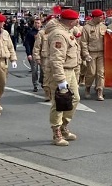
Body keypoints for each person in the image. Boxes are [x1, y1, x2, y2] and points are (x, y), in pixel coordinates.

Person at [47, 9, 82, 146]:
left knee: (75, 99)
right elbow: (56, 59)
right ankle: (57, 132)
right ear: (70, 21)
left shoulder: (67, 32)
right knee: (60, 103)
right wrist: (61, 80)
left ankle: (64, 125)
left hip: (70, 70)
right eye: (76, 20)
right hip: (62, 72)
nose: (77, 22)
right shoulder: (59, 35)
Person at [81, 9, 109, 101]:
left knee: (100, 73)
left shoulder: (104, 27)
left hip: (101, 52)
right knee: (91, 72)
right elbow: (84, 42)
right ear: (95, 17)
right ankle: (87, 88)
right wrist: (86, 54)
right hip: (91, 53)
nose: (102, 18)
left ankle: (99, 91)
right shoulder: (86, 28)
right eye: (100, 17)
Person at [24, 18, 41, 92]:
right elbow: (27, 44)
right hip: (33, 54)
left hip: (42, 54)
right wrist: (29, 54)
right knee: (34, 71)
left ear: (41, 24)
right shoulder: (30, 33)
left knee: (44, 71)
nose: (37, 24)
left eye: (38, 23)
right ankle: (35, 85)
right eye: (35, 23)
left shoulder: (44, 32)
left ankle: (42, 82)